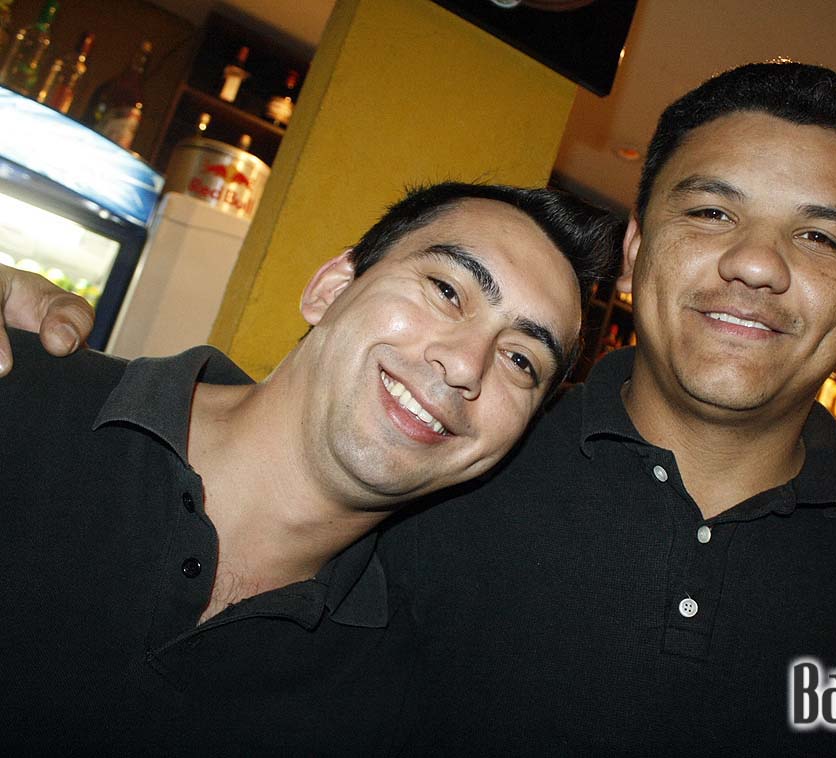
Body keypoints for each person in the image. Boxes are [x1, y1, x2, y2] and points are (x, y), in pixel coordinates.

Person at [7, 62, 836, 756]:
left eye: (820, 237)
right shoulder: (448, 466)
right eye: (710, 211)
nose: (754, 263)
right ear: (636, 257)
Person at [0, 181, 619, 752]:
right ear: (332, 289)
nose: (465, 365)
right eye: (447, 291)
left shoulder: (385, 703)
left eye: (521, 361)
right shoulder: (20, 393)